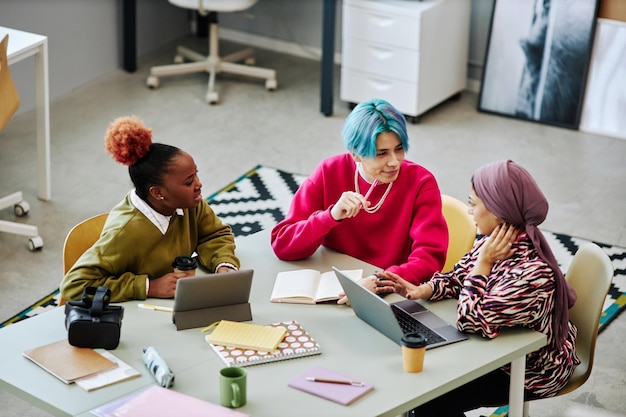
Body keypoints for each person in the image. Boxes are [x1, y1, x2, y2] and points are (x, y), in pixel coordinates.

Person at [375, 159, 579, 416]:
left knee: (428, 400)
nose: (469, 212)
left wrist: (484, 263)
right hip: (496, 350)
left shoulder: (533, 273)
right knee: (419, 378)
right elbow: (458, 277)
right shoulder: (496, 240)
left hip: (530, 370)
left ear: (496, 210)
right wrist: (423, 290)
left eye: (473, 204)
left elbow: (470, 319)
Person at [270, 98, 448, 294]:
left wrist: (378, 282)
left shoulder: (421, 182)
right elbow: (282, 244)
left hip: (390, 291)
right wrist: (330, 217)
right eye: (381, 153)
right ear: (355, 154)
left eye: (399, 149)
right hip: (334, 285)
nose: (394, 162)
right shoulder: (328, 172)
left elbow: (428, 259)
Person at [60, 116, 240, 303]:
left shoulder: (189, 204)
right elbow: (74, 285)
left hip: (176, 303)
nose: (199, 185)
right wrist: (148, 286)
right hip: (135, 314)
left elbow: (214, 235)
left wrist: (223, 263)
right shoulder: (125, 233)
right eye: (189, 182)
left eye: (196, 175)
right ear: (158, 193)